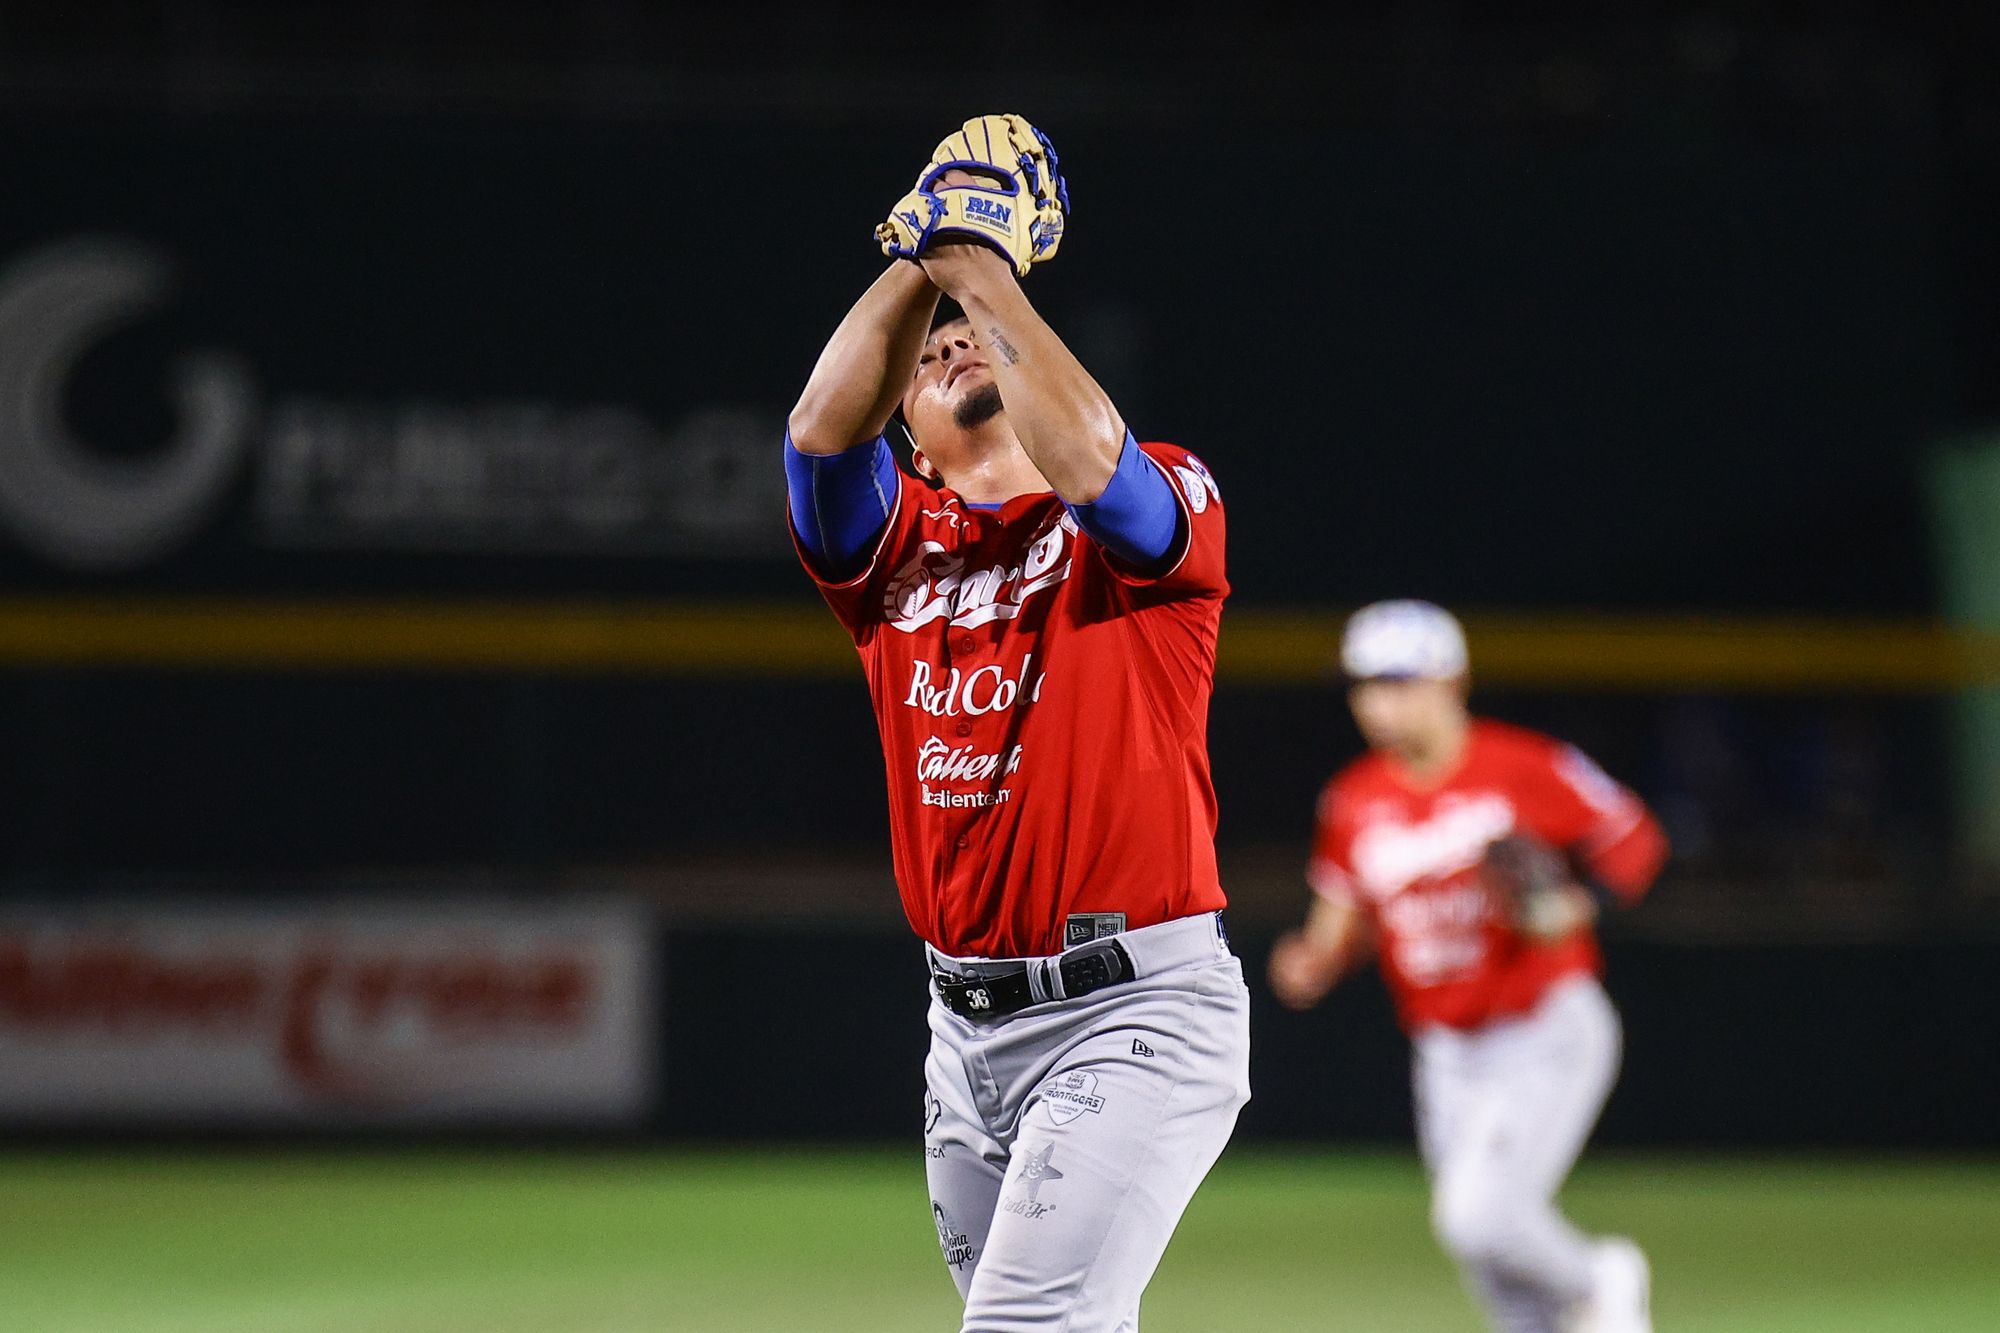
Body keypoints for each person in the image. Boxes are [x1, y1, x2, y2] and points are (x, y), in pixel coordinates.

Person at [784, 115, 1250, 1333]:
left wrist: (982, 270)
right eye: (931, 352)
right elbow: (820, 431)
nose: (951, 347)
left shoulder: (1153, 510)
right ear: (916, 455)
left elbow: (1094, 464)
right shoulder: (891, 553)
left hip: (1134, 1013)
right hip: (963, 1033)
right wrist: (923, 242)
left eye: (972, 336)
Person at [1268, 600, 1668, 1333]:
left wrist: (1581, 904)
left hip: (1542, 1025)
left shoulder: (1523, 766)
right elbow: (1341, 923)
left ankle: (1600, 1278)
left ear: (1450, 682)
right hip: (1446, 1051)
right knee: (1492, 1271)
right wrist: (1314, 961)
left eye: (1396, 681)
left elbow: (1635, 838)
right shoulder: (1355, 799)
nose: (1376, 702)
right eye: (1363, 685)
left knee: (1479, 1217)